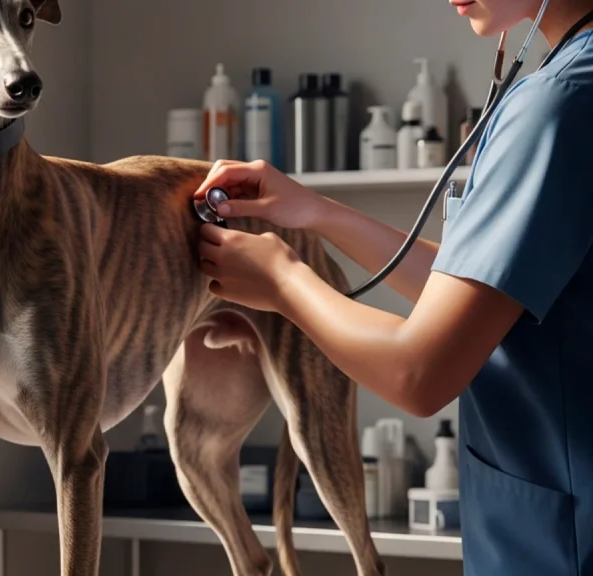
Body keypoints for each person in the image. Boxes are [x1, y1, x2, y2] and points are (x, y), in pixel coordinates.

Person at [192, 0, 593, 574]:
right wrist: (319, 213)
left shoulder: (558, 105)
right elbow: (480, 291)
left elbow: (419, 373)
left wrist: (284, 280)